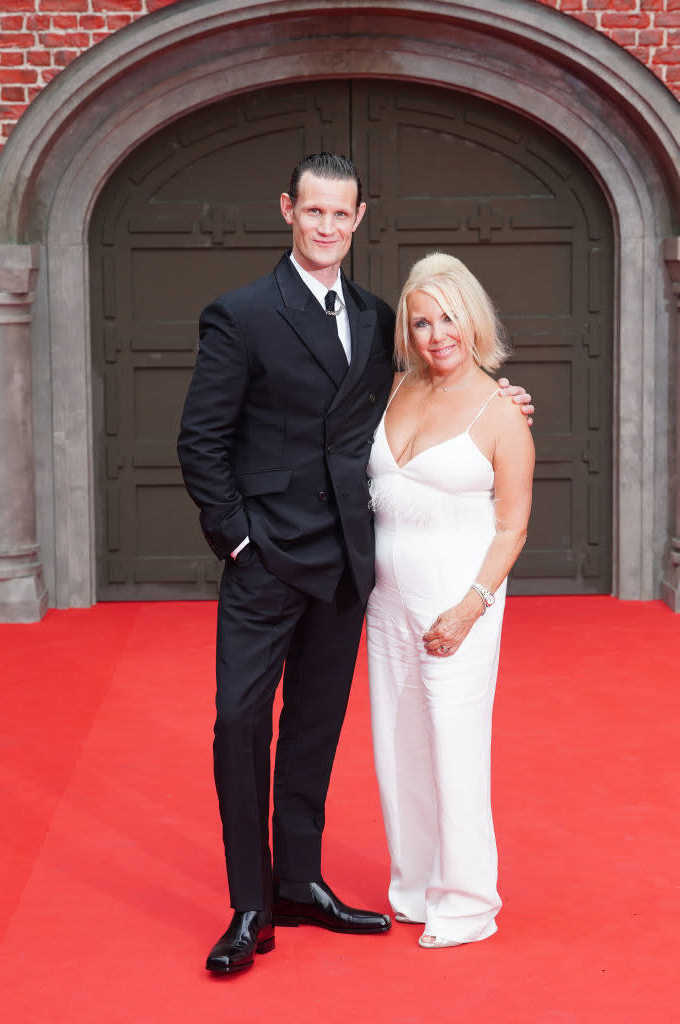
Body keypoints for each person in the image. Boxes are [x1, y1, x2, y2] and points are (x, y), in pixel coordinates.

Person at [177, 154, 534, 975]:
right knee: (240, 726)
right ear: (287, 211)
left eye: (341, 215)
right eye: (313, 213)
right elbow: (200, 443)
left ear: (359, 218)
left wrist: (504, 399)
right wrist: (239, 542)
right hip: (265, 563)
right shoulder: (240, 315)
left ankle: (300, 880)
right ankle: (250, 905)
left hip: (348, 570)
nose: (327, 227)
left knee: (313, 731)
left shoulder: (379, 320)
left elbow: (435, 392)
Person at [366, 251, 535, 949]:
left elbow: (513, 524)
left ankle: (466, 902)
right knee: (396, 750)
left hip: (456, 607)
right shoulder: (395, 388)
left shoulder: (502, 412)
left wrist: (468, 608)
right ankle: (413, 885)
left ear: (472, 319)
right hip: (384, 604)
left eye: (447, 318)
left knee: (454, 751)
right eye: (421, 321)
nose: (436, 334)